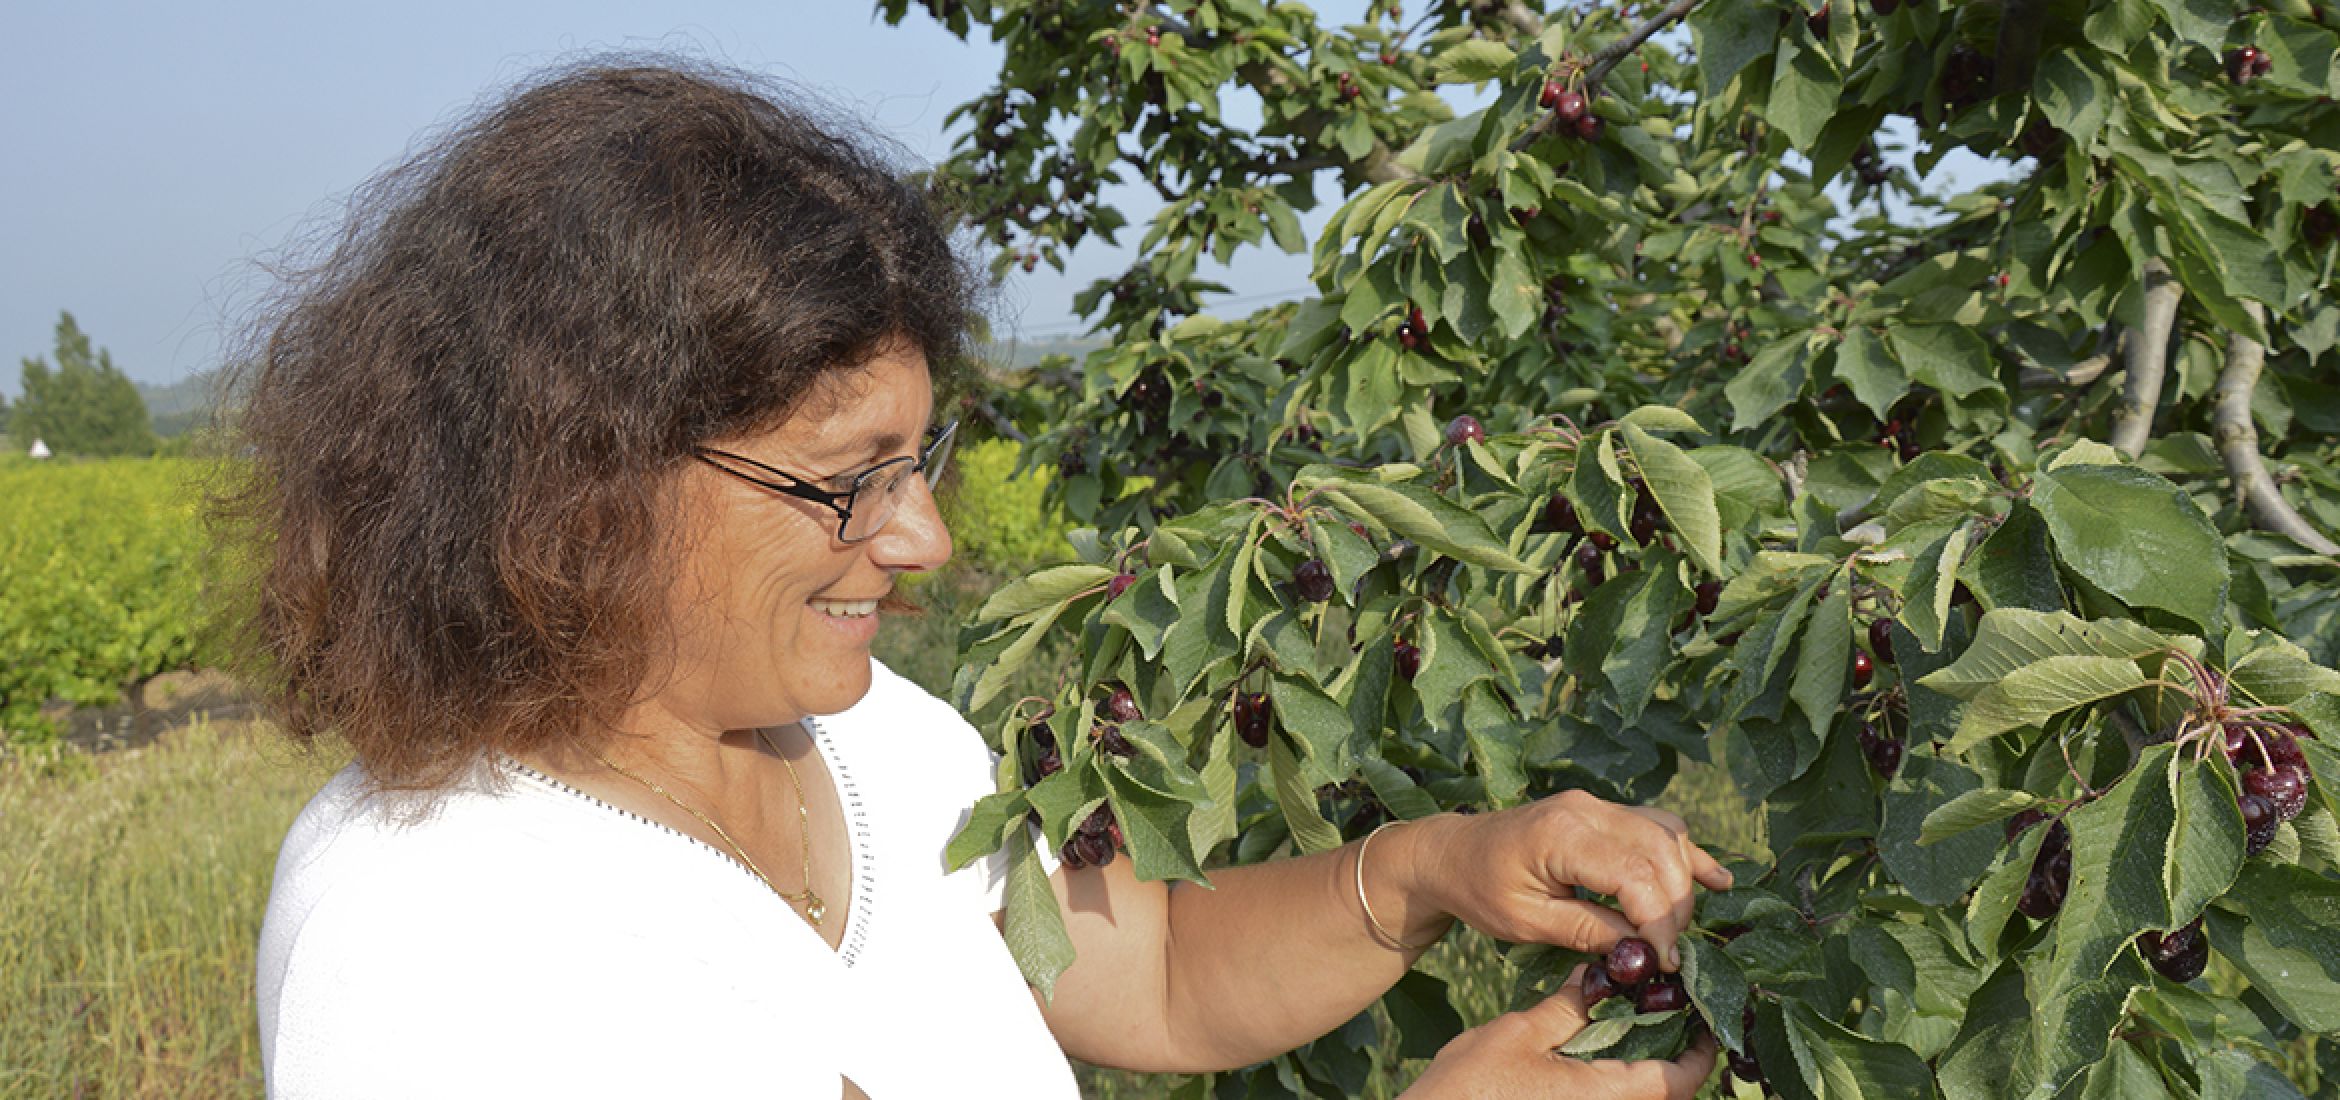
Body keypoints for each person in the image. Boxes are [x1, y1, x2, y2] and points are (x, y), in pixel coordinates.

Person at [230, 60, 1729, 1098]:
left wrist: (1431, 869)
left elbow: (1148, 973)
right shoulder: (438, 940)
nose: (922, 539)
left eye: (918, 462)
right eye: (844, 480)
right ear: (580, 482)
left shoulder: (871, 735)